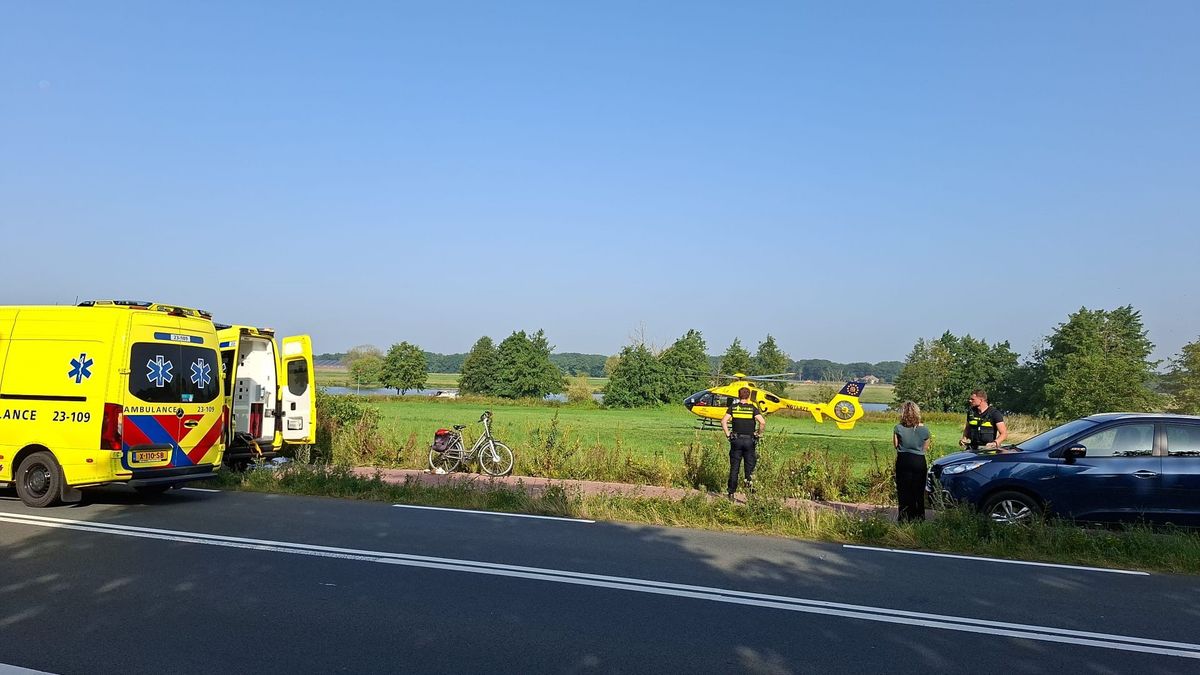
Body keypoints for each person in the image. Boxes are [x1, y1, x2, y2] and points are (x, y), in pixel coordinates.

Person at [721, 387, 766, 501]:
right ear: (749, 396)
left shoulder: (733, 408)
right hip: (749, 441)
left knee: (734, 468)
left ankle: (731, 493)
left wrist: (727, 435)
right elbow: (762, 422)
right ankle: (750, 494)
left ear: (738, 395)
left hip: (736, 440)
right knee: (749, 467)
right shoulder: (752, 408)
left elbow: (723, 421)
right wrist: (758, 434)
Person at [893, 401, 930, 522]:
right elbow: (925, 448)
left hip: (903, 460)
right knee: (918, 491)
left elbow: (896, 445)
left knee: (903, 490)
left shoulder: (898, 428)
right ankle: (919, 517)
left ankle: (904, 517)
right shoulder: (924, 430)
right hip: (919, 460)